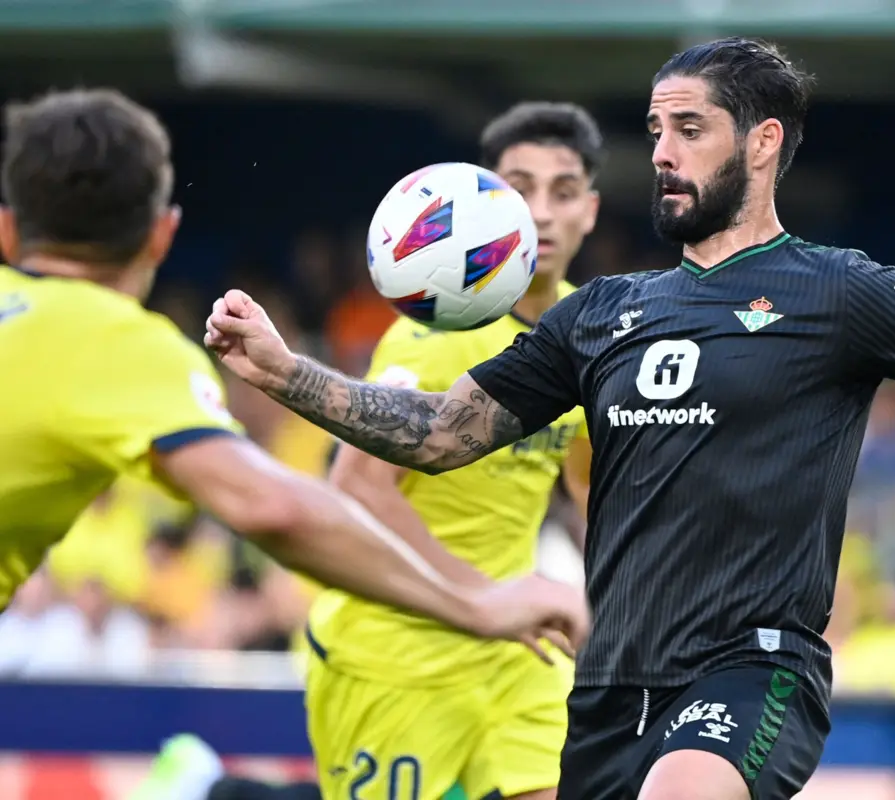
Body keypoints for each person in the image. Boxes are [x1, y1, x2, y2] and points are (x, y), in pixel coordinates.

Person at [206, 38, 895, 800]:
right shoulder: (602, 312)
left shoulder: (842, 288)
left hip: (753, 666)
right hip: (608, 686)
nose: (664, 153)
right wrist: (288, 374)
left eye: (689, 130)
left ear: (762, 144)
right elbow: (444, 432)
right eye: (655, 133)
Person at [0, 88, 589, 678]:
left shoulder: (578, 331)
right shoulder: (118, 343)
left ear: (6, 230)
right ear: (162, 234)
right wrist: (476, 601)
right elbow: (276, 506)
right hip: (398, 665)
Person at [133, 102, 603, 800]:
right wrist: (481, 593)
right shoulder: (435, 335)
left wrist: (618, 604)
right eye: (518, 189)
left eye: (562, 192)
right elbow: (360, 486)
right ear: (478, 203)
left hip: (516, 651)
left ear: (590, 210)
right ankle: (214, 790)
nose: (539, 213)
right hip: (394, 649)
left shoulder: (587, 328)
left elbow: (588, 482)